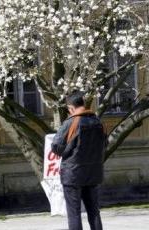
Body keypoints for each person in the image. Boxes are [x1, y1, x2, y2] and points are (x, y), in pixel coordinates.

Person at [51, 91, 107, 230]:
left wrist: (67, 151)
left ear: (71, 108)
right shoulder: (98, 121)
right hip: (93, 173)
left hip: (73, 174)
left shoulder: (71, 122)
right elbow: (105, 144)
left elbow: (56, 146)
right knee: (94, 211)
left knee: (74, 213)